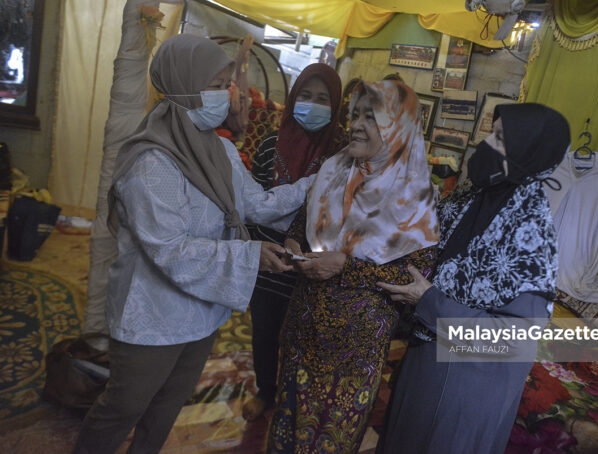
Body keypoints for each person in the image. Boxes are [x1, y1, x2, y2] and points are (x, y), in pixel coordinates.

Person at [73, 34, 312, 454]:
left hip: (201, 311)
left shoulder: (217, 149)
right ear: (184, 87)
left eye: (227, 83)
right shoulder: (152, 162)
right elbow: (170, 249)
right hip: (152, 316)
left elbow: (256, 204)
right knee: (124, 408)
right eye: (218, 85)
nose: (230, 94)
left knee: (167, 405)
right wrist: (250, 255)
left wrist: (318, 183)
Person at [376, 103, 571, 454]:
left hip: (469, 385)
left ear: (526, 152)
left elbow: (514, 339)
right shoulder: (473, 197)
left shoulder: (531, 234)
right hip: (426, 357)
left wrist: (429, 301)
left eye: (498, 138)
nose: (485, 144)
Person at [267, 80, 440, 453]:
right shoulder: (334, 168)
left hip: (351, 347)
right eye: (355, 114)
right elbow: (303, 220)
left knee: (329, 435)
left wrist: (345, 266)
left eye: (372, 117)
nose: (357, 125)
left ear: (397, 125)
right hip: (301, 326)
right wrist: (294, 243)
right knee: (288, 424)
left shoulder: (415, 193)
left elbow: (414, 276)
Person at [243, 63, 344, 421]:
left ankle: (295, 399)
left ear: (335, 106)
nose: (312, 105)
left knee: (304, 339)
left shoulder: (340, 153)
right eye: (305, 96)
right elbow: (251, 202)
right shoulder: (270, 143)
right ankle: (266, 393)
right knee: (265, 333)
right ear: (292, 98)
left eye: (322, 98)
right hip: (270, 261)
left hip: (312, 267)